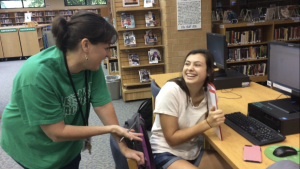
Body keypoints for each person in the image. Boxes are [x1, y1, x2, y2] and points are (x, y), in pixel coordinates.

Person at [0, 11, 144, 169]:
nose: (109, 54)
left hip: (67, 143)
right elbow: (56, 132)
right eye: (106, 48)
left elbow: (103, 105)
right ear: (86, 45)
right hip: (33, 145)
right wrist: (110, 129)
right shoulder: (37, 74)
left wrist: (123, 147)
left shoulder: (90, 66)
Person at [150, 49, 231, 169]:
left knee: (232, 165)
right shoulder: (171, 90)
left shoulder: (210, 96)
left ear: (209, 71)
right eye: (187, 64)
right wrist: (207, 123)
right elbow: (171, 139)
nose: (190, 68)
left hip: (191, 153)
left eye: (197, 65)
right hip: (164, 152)